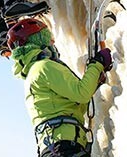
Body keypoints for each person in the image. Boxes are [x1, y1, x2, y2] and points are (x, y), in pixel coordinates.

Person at [7, 18, 113, 157]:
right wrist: (97, 63)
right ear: (37, 40)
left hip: (56, 145)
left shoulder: (33, 73)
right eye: (47, 36)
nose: (52, 41)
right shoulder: (44, 66)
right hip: (64, 146)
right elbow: (81, 93)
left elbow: (76, 100)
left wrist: (95, 80)